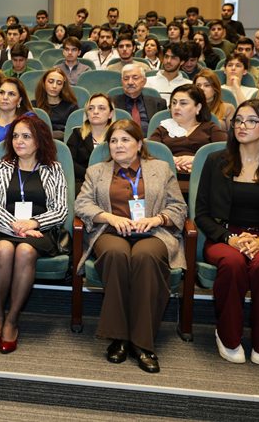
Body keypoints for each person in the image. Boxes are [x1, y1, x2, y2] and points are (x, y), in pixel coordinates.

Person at [75, 119, 187, 373]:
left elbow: (179, 207)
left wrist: (157, 219)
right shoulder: (97, 171)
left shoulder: (160, 169)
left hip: (153, 233)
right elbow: (82, 204)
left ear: (139, 144)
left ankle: (142, 343)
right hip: (111, 232)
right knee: (116, 254)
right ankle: (120, 337)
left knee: (145, 257)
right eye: (113, 141)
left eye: (125, 140)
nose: (118, 145)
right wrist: (109, 217)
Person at [195, 100, 259, 366]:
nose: (242, 125)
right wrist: (230, 238)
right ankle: (227, 336)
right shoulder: (215, 161)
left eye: (251, 121)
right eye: (239, 120)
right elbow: (202, 214)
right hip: (225, 236)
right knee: (233, 263)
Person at [0, 115, 68, 353]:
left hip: (40, 231)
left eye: (26, 136)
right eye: (16, 136)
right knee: (4, 249)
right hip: (1, 227)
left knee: (25, 251)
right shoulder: (0, 166)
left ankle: (12, 320)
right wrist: (15, 225)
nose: (19, 141)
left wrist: (33, 223)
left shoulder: (54, 169)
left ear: (39, 141)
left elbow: (61, 210)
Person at [150, 84, 227, 176]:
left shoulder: (210, 128)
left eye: (183, 103)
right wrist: (171, 160)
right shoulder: (163, 128)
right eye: (174, 103)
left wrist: (196, 160)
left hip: (203, 176)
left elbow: (225, 152)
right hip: (167, 176)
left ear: (198, 107)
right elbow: (149, 152)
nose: (176, 107)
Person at [67, 93, 115, 185]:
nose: (95, 112)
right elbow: (69, 162)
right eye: (91, 108)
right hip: (82, 182)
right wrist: (90, 175)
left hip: (112, 182)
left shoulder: (116, 136)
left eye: (101, 108)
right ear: (87, 114)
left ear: (110, 114)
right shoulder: (77, 134)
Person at [111, 64, 167, 136]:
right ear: (122, 82)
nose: (130, 82)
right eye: (126, 79)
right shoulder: (111, 103)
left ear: (144, 81)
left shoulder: (158, 104)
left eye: (135, 78)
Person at [33, 67, 79, 139]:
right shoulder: (33, 106)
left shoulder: (71, 107)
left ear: (63, 86)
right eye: (50, 82)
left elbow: (74, 134)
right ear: (44, 83)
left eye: (59, 83)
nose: (54, 86)